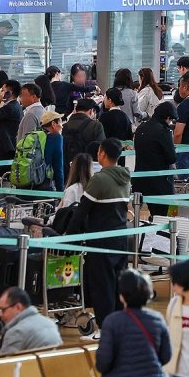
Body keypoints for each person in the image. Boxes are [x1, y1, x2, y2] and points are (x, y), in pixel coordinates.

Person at [67, 139, 132, 337]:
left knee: (102, 284)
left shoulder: (99, 180)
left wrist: (67, 235)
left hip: (101, 239)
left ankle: (105, 327)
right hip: (121, 236)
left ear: (102, 154)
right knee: (119, 283)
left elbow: (82, 211)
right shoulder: (125, 177)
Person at [96, 269, 171, 377]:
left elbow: (103, 362)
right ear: (149, 295)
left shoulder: (112, 321)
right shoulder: (157, 319)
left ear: (121, 296)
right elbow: (166, 356)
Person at [133, 103, 178, 218]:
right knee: (163, 216)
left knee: (147, 214)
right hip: (160, 182)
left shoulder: (140, 128)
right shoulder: (164, 132)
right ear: (167, 118)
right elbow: (171, 158)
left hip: (140, 180)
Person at [0, 287, 62, 354]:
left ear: (18, 307)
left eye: (3, 310)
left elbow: (2, 362)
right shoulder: (50, 324)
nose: (0, 314)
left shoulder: (16, 331)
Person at [0, 79, 23, 184]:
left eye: (2, 90)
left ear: (9, 92)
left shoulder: (11, 107)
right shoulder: (13, 106)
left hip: (6, 148)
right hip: (7, 145)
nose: (0, 92)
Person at [62, 98, 105, 178]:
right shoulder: (96, 126)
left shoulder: (63, 127)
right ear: (91, 111)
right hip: (89, 172)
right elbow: (101, 148)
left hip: (67, 172)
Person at [99, 88, 134, 154]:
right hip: (122, 154)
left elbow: (101, 137)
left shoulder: (104, 117)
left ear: (110, 100)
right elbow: (129, 138)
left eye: (105, 98)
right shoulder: (125, 116)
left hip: (108, 153)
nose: (104, 100)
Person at [37, 111, 66, 191]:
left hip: (24, 185)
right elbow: (58, 168)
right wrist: (60, 192)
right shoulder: (56, 137)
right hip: (42, 185)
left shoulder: (35, 135)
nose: (62, 127)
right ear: (53, 124)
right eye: (60, 122)